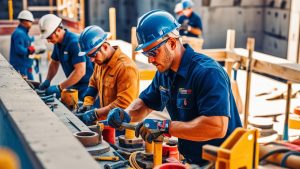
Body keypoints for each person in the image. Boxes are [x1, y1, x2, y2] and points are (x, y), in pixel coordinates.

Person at [107, 10, 242, 166]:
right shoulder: (165, 72)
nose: (150, 60)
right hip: (192, 160)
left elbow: (216, 126)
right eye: (146, 54)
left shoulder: (208, 73)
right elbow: (145, 103)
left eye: (153, 52)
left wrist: (165, 126)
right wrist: (126, 115)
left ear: (171, 43)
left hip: (223, 162)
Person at [76, 25, 139, 125]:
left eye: (93, 55)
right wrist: (87, 103)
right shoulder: (100, 62)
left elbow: (124, 103)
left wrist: (96, 113)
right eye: (89, 56)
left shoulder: (125, 68)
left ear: (104, 46)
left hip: (122, 125)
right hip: (107, 122)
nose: (91, 60)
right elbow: (93, 82)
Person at [38, 14, 93, 101]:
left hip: (88, 87)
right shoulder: (58, 44)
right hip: (76, 84)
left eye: (49, 37)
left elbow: (80, 71)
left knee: (85, 111)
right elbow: (54, 63)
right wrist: (47, 80)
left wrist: (60, 87)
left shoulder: (74, 42)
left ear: (58, 30)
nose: (48, 41)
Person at [10, 10, 35, 80]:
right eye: (30, 22)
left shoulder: (24, 33)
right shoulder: (19, 33)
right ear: (25, 21)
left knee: (31, 84)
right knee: (28, 86)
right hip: (20, 67)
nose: (31, 24)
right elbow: (19, 49)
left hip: (26, 65)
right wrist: (29, 50)